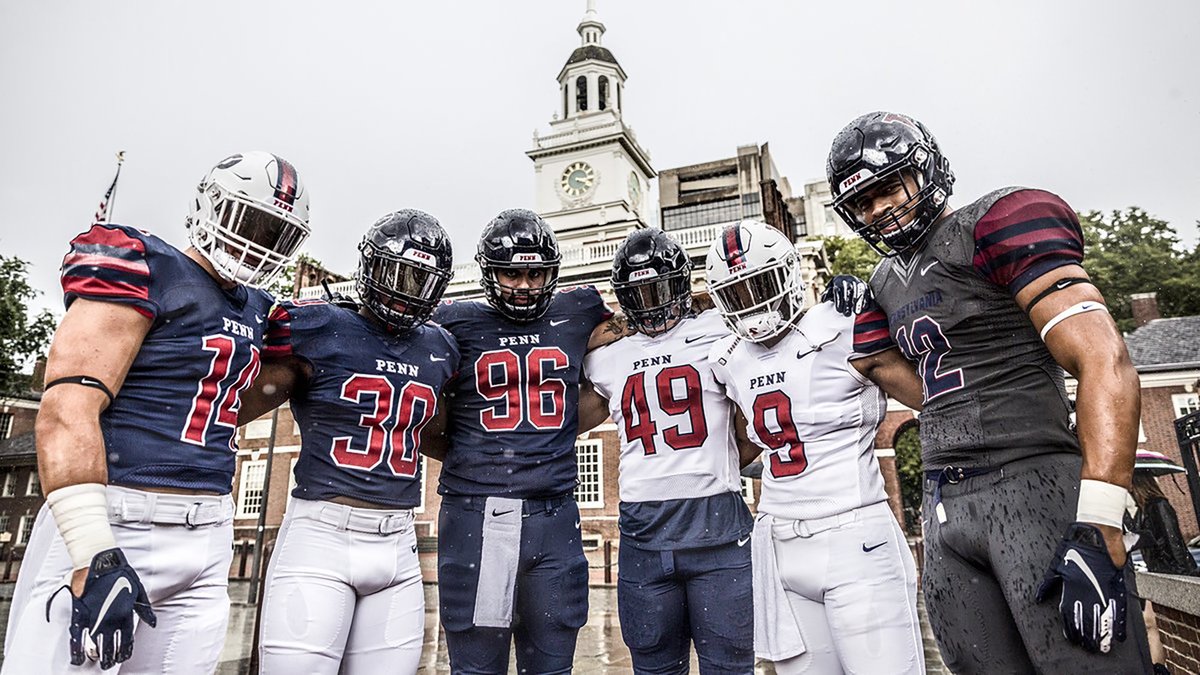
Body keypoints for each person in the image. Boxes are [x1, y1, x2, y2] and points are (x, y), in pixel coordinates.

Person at [828, 111, 1153, 672]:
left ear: (926, 169)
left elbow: (1105, 358)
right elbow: (892, 369)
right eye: (863, 202)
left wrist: (1101, 518)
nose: (878, 209)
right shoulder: (883, 282)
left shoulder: (996, 220)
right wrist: (860, 321)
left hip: (1032, 483)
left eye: (887, 188)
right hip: (945, 507)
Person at [3, 152, 312, 672]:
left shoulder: (262, 313)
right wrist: (92, 548)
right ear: (209, 205)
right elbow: (65, 407)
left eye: (275, 233)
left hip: (209, 527)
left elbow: (220, 407)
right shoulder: (149, 266)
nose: (257, 242)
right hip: (118, 514)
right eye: (249, 221)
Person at [238, 210, 459, 673]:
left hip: (398, 542)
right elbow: (226, 407)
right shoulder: (318, 326)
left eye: (421, 281)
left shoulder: (438, 346)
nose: (404, 292)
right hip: (321, 535)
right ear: (369, 266)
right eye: (397, 274)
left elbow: (438, 436)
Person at [705, 219, 925, 674]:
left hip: (854, 535)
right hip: (782, 544)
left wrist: (870, 295)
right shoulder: (728, 358)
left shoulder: (841, 325)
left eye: (760, 285)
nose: (753, 305)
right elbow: (747, 441)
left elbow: (933, 396)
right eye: (737, 294)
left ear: (788, 275)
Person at [428, 209, 614, 674]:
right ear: (490, 273)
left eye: (536, 273)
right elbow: (423, 412)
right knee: (476, 667)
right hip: (476, 514)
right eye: (512, 272)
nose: (525, 285)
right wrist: (473, 455)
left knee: (552, 666)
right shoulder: (454, 321)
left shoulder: (579, 311)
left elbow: (639, 339)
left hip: (553, 511)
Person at [578, 228, 757, 674]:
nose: (652, 301)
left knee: (731, 665)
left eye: (659, 287)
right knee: (654, 667)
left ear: (682, 285)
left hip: (717, 524)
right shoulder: (605, 357)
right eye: (638, 292)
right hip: (644, 530)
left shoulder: (720, 330)